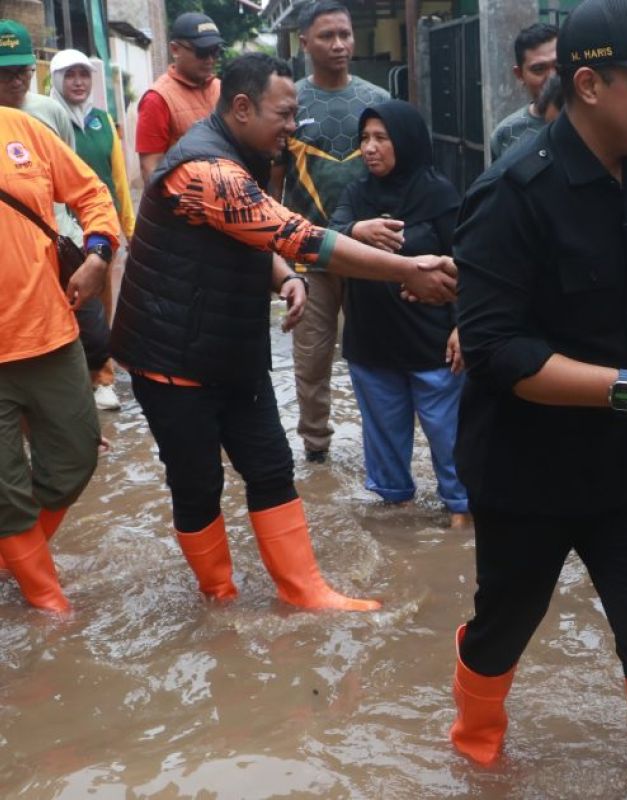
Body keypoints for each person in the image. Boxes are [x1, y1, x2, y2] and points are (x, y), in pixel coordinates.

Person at [449, 1, 627, 795]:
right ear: (591, 84)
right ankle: (473, 749)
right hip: (526, 469)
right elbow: (499, 355)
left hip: (621, 465)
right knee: (505, 627)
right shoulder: (511, 195)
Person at [109, 53, 457, 612]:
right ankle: (218, 599)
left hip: (231, 352)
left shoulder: (238, 155)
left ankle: (305, 590)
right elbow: (298, 235)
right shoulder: (205, 169)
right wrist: (408, 268)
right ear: (242, 108)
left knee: (271, 466)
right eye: (286, 113)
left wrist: (284, 278)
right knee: (198, 485)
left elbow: (252, 236)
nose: (294, 127)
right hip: (170, 358)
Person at [0, 21, 121, 612]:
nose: (15, 79)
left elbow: (94, 194)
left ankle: (14, 560)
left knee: (74, 458)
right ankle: (51, 608)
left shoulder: (25, 129)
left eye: (21, 69)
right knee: (7, 494)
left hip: (48, 333)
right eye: (4, 72)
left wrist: (98, 255)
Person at [328, 100, 471, 528]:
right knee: (385, 445)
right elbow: (323, 241)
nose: (369, 148)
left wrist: (465, 326)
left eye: (381, 138)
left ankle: (462, 511)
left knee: (450, 436)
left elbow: (471, 264)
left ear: (405, 142)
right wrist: (356, 230)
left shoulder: (440, 194)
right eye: (364, 139)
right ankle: (399, 527)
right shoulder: (356, 195)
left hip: (434, 345)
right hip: (372, 344)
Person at [275, 0, 390, 465]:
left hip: (372, 252)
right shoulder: (289, 103)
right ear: (305, 42)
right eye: (327, 36)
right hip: (310, 255)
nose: (339, 44)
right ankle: (316, 449)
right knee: (313, 355)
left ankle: (382, 447)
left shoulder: (378, 102)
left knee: (380, 353)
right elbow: (273, 181)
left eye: (345, 34)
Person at [50, 48, 137, 413]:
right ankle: (66, 382)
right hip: (57, 232)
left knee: (100, 307)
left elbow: (118, 181)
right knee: (62, 306)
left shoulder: (103, 121)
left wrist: (129, 228)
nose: (78, 82)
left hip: (99, 233)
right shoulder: (47, 121)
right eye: (70, 75)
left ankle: (103, 377)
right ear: (55, 80)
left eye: (84, 75)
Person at [136, 11, 224, 185]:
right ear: (175, 49)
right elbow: (151, 169)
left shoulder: (220, 89)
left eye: (215, 51)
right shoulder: (157, 99)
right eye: (202, 52)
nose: (210, 60)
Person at [488, 22, 558, 161]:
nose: (553, 77)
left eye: (559, 65)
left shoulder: (594, 122)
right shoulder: (506, 133)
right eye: (539, 69)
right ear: (520, 75)